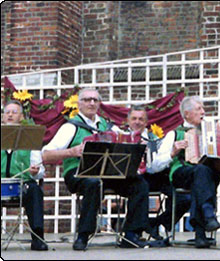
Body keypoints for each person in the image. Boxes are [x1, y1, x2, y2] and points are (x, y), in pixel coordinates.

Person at [42, 88, 150, 250]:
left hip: (107, 172)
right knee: (93, 183)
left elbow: (125, 143)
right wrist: (72, 151)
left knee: (139, 184)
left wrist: (137, 146)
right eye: (86, 100)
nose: (91, 103)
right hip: (78, 173)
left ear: (99, 104)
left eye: (95, 100)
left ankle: (131, 234)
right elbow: (46, 155)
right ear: (79, 103)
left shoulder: (107, 126)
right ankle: (83, 235)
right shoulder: (70, 127)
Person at [156, 95, 220, 248]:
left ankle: (200, 233)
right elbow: (157, 163)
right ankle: (207, 215)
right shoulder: (175, 133)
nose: (203, 112)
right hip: (180, 173)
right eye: (199, 109)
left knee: (204, 174)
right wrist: (172, 152)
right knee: (201, 173)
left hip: (200, 175)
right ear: (187, 114)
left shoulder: (209, 132)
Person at [120, 106, 192, 241]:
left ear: (146, 122)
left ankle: (157, 223)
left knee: (185, 198)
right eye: (134, 119)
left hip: (154, 175)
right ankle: (134, 232)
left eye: (141, 119)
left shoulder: (154, 139)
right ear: (128, 121)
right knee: (139, 187)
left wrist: (150, 155)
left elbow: (156, 167)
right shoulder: (121, 137)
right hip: (129, 178)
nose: (137, 122)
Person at [1, 101, 48, 251]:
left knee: (35, 190)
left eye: (14, 112)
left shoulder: (30, 139)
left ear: (21, 117)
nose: (10, 115)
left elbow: (40, 170)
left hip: (22, 185)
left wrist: (36, 172)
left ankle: (38, 237)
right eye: (7, 112)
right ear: (2, 116)